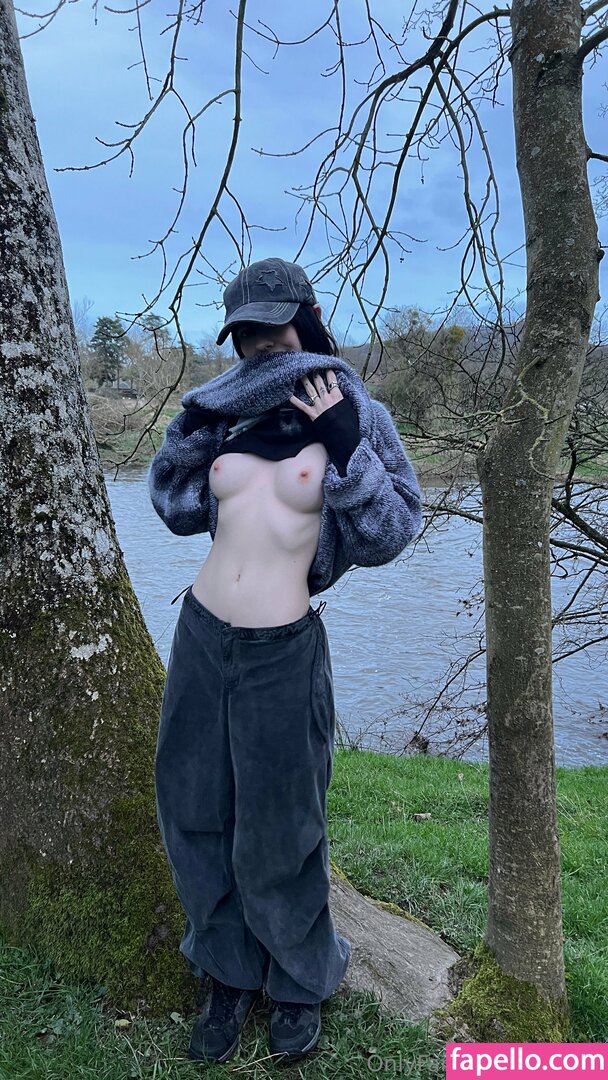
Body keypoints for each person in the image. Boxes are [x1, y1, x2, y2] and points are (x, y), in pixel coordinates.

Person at [147, 257, 423, 1065]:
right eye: (246, 332)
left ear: (307, 317)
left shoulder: (356, 411)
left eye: (274, 324)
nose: (263, 343)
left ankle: (299, 982)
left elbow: (392, 532)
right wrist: (192, 435)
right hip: (203, 636)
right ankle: (226, 973)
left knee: (282, 826)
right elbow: (174, 505)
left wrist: (344, 449)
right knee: (193, 809)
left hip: (282, 650)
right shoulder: (221, 406)